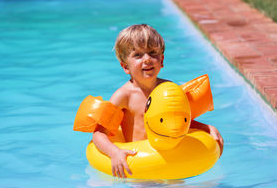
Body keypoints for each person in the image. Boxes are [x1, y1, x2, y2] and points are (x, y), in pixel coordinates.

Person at [92, 24, 224, 178]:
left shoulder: (169, 89)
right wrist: (114, 152)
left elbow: (178, 123)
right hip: (140, 165)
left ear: (161, 60)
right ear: (125, 66)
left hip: (171, 160)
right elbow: (99, 133)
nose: (147, 59)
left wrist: (206, 128)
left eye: (152, 53)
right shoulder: (123, 96)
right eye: (138, 55)